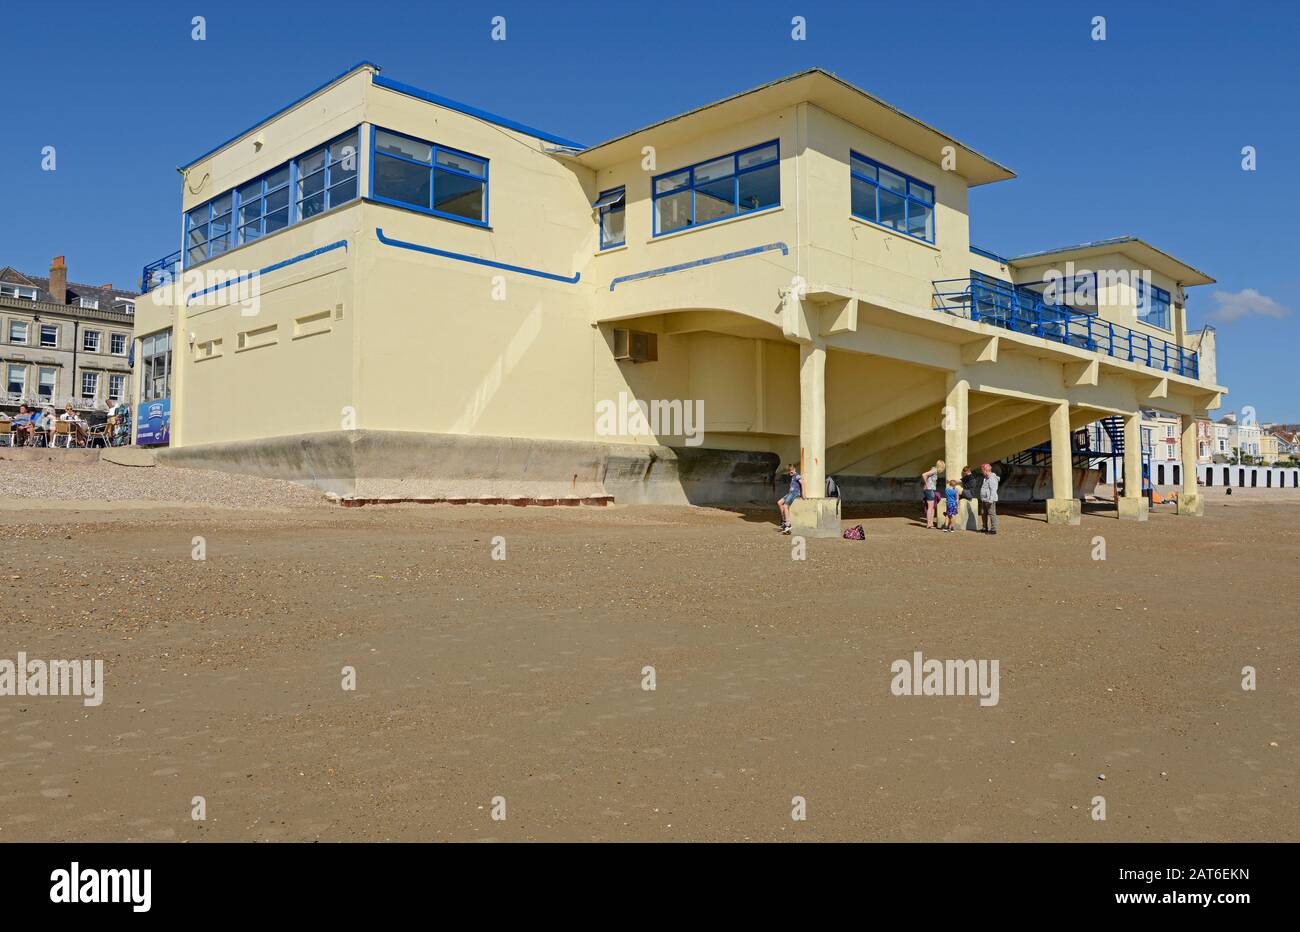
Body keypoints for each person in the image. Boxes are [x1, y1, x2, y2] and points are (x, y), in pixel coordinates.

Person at [777, 463, 801, 534]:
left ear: (794, 469)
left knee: (785, 506)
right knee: (779, 502)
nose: (790, 472)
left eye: (791, 470)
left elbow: (802, 483)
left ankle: (788, 524)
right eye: (789, 471)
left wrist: (804, 494)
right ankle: (784, 520)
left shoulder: (797, 476)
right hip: (790, 493)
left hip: (795, 493)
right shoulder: (792, 477)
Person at [921, 460, 945, 529]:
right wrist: (926, 484)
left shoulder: (934, 470)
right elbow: (924, 474)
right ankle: (929, 524)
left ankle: (931, 523)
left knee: (932, 507)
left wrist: (926, 484)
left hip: (931, 490)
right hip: (929, 490)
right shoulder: (934, 470)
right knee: (930, 507)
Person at [979, 463, 1000, 535]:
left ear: (986, 470)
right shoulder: (986, 478)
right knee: (983, 513)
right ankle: (985, 528)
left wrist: (991, 500)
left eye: (982, 470)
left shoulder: (992, 478)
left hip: (989, 500)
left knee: (992, 514)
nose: (982, 472)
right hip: (984, 499)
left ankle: (993, 529)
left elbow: (993, 490)